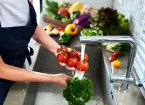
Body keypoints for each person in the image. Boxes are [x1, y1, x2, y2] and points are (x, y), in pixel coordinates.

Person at [0, 0, 73, 104]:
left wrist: (59, 50)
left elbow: (30, 26)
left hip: (19, 66)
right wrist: (54, 78)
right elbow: (1, 69)